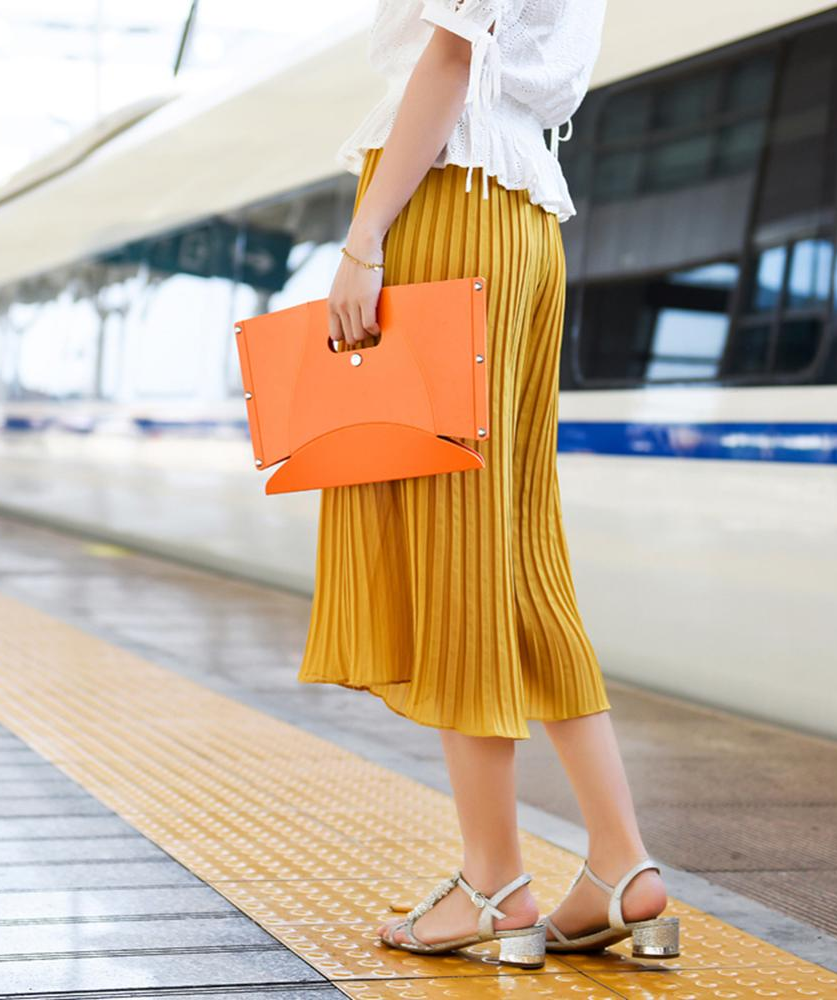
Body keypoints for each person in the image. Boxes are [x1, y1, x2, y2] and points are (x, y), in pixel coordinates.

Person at [297, 0, 679, 968]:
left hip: (449, 215)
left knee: (457, 555)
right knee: (519, 558)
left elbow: (450, 56)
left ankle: (493, 881)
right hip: (525, 230)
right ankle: (621, 861)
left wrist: (363, 237)